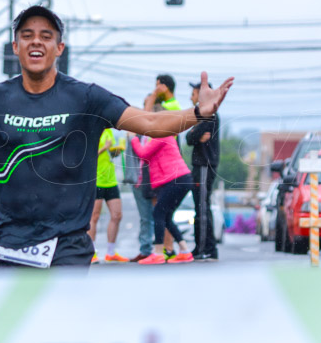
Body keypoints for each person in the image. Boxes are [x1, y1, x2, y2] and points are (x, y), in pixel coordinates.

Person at [0, 5, 234, 269]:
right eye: (27, 35)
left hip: (68, 248)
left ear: (59, 48)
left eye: (46, 36)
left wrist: (199, 112)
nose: (36, 42)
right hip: (9, 247)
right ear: (15, 47)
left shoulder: (87, 97)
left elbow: (151, 124)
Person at [129, 131, 196, 264]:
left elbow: (143, 154)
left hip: (175, 179)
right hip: (179, 179)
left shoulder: (161, 136)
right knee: (166, 216)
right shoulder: (162, 137)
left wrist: (133, 139)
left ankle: (158, 253)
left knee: (158, 213)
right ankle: (185, 251)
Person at [187, 81, 221, 261]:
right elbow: (190, 137)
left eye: (193, 93)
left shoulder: (209, 114)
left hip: (204, 165)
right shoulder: (202, 114)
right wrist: (194, 134)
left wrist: (194, 133)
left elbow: (190, 137)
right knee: (201, 207)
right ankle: (205, 247)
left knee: (201, 207)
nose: (191, 97)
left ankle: (204, 248)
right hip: (202, 165)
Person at [87, 128, 126, 263]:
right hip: (96, 180)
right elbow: (88, 156)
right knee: (94, 216)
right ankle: (92, 252)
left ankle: (110, 252)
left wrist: (118, 150)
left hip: (111, 179)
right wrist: (104, 147)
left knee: (117, 215)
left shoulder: (108, 131)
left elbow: (111, 154)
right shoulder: (92, 130)